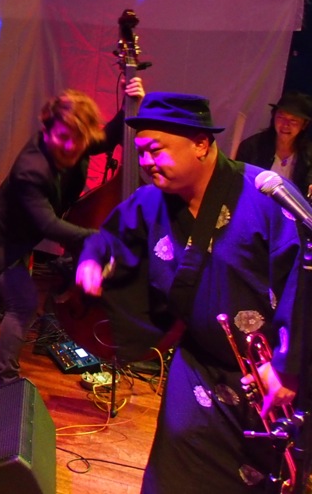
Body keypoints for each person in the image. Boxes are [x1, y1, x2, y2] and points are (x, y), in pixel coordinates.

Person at [76, 93, 303, 493]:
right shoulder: (152, 201)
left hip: (269, 375)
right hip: (198, 365)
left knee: (260, 477)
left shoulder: (266, 196)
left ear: (200, 144)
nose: (146, 162)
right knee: (176, 471)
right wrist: (92, 260)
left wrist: (288, 365)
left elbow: (304, 284)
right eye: (141, 152)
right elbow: (108, 237)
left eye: (155, 150)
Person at [0, 77, 145, 387]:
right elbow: (48, 225)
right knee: (23, 303)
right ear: (47, 129)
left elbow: (108, 137)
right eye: (63, 137)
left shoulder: (75, 139)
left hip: (19, 237)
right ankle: (5, 381)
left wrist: (131, 103)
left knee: (11, 286)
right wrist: (97, 238)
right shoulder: (31, 168)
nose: (71, 146)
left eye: (79, 139)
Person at [235, 90, 312, 196]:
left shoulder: (309, 154)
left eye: (293, 120)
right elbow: (238, 183)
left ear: (304, 124)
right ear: (273, 116)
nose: (285, 125)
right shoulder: (251, 147)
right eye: (281, 117)